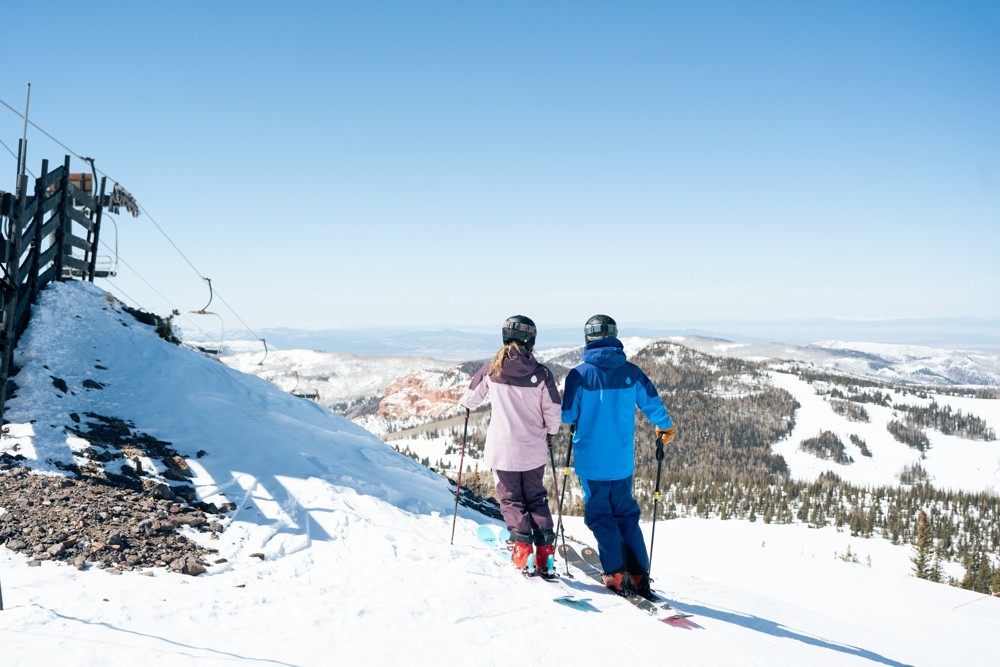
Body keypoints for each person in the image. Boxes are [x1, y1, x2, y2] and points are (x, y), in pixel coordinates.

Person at [560, 314, 677, 597]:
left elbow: (568, 415)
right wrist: (665, 427)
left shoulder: (579, 374)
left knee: (601, 517)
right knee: (625, 514)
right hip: (622, 461)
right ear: (613, 335)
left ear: (588, 337)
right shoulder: (631, 372)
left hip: (591, 461)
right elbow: (652, 403)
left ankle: (614, 573)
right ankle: (639, 574)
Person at [460, 315, 562, 575]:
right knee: (536, 499)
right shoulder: (542, 374)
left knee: (511, 500)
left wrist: (466, 409)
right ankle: (545, 554)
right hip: (534, 450)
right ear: (532, 340)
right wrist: (550, 432)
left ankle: (522, 550)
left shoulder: (492, 369)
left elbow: (469, 399)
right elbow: (553, 414)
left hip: (502, 450)